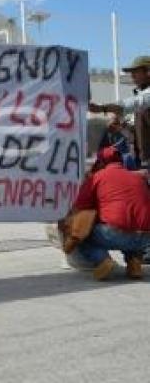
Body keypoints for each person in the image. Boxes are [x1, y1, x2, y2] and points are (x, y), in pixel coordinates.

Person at [72, 146, 150, 280]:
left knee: (81, 237)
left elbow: (80, 207)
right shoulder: (137, 177)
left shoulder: (97, 177)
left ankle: (103, 260)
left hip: (114, 233)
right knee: (131, 226)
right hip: (145, 238)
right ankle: (134, 262)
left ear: (101, 162)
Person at [91, 55, 150, 168]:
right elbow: (135, 132)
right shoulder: (142, 98)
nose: (132, 76)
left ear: (148, 71)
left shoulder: (145, 98)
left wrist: (102, 108)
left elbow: (132, 104)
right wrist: (121, 127)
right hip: (142, 161)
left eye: (135, 72)